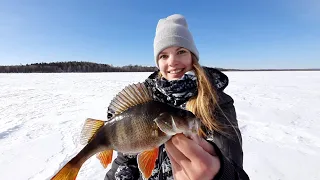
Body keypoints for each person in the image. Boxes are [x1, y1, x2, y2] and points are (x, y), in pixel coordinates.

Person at [105, 14, 250, 180]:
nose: (172, 61)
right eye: (164, 56)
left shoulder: (217, 103)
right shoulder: (145, 101)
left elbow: (235, 169)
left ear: (192, 57)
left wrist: (220, 174)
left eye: (181, 51)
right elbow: (125, 158)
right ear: (158, 63)